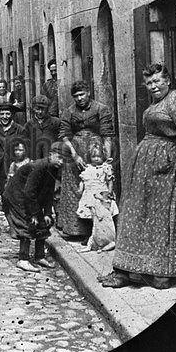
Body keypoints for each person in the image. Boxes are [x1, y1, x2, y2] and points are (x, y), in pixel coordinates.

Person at [100, 64, 176, 290]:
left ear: (168, 81)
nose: (153, 86)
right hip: (145, 167)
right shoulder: (155, 103)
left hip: (162, 168)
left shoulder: (174, 99)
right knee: (135, 214)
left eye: (157, 81)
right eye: (149, 83)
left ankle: (158, 274)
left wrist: (171, 161)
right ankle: (129, 270)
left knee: (156, 216)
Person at [58, 80, 115, 241]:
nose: (79, 98)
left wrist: (106, 160)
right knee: (75, 188)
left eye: (82, 94)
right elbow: (64, 135)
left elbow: (107, 135)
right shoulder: (69, 112)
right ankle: (76, 229)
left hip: (95, 151)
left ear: (88, 93)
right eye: (76, 96)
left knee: (97, 186)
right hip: (74, 152)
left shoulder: (101, 109)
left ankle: (99, 228)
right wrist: (74, 155)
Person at [2, 141, 65, 272]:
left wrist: (47, 212)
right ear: (51, 155)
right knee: (27, 223)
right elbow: (28, 192)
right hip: (16, 197)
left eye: (64, 159)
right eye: (59, 157)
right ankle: (23, 259)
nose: (62, 162)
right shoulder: (39, 167)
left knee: (43, 222)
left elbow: (48, 191)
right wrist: (33, 214)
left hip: (28, 197)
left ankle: (39, 256)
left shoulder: (53, 168)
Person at [75, 143, 118, 229]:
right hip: (89, 194)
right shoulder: (87, 168)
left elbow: (109, 180)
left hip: (101, 194)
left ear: (103, 156)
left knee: (102, 214)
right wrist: (80, 189)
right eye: (93, 157)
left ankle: (104, 233)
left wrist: (109, 191)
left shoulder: (105, 167)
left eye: (99, 156)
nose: (96, 159)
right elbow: (83, 180)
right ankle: (90, 235)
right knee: (89, 215)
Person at [23, 94, 61, 160]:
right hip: (36, 161)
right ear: (33, 108)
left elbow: (61, 140)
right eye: (37, 109)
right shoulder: (28, 125)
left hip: (52, 159)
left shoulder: (56, 122)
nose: (40, 112)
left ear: (47, 109)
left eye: (43, 109)